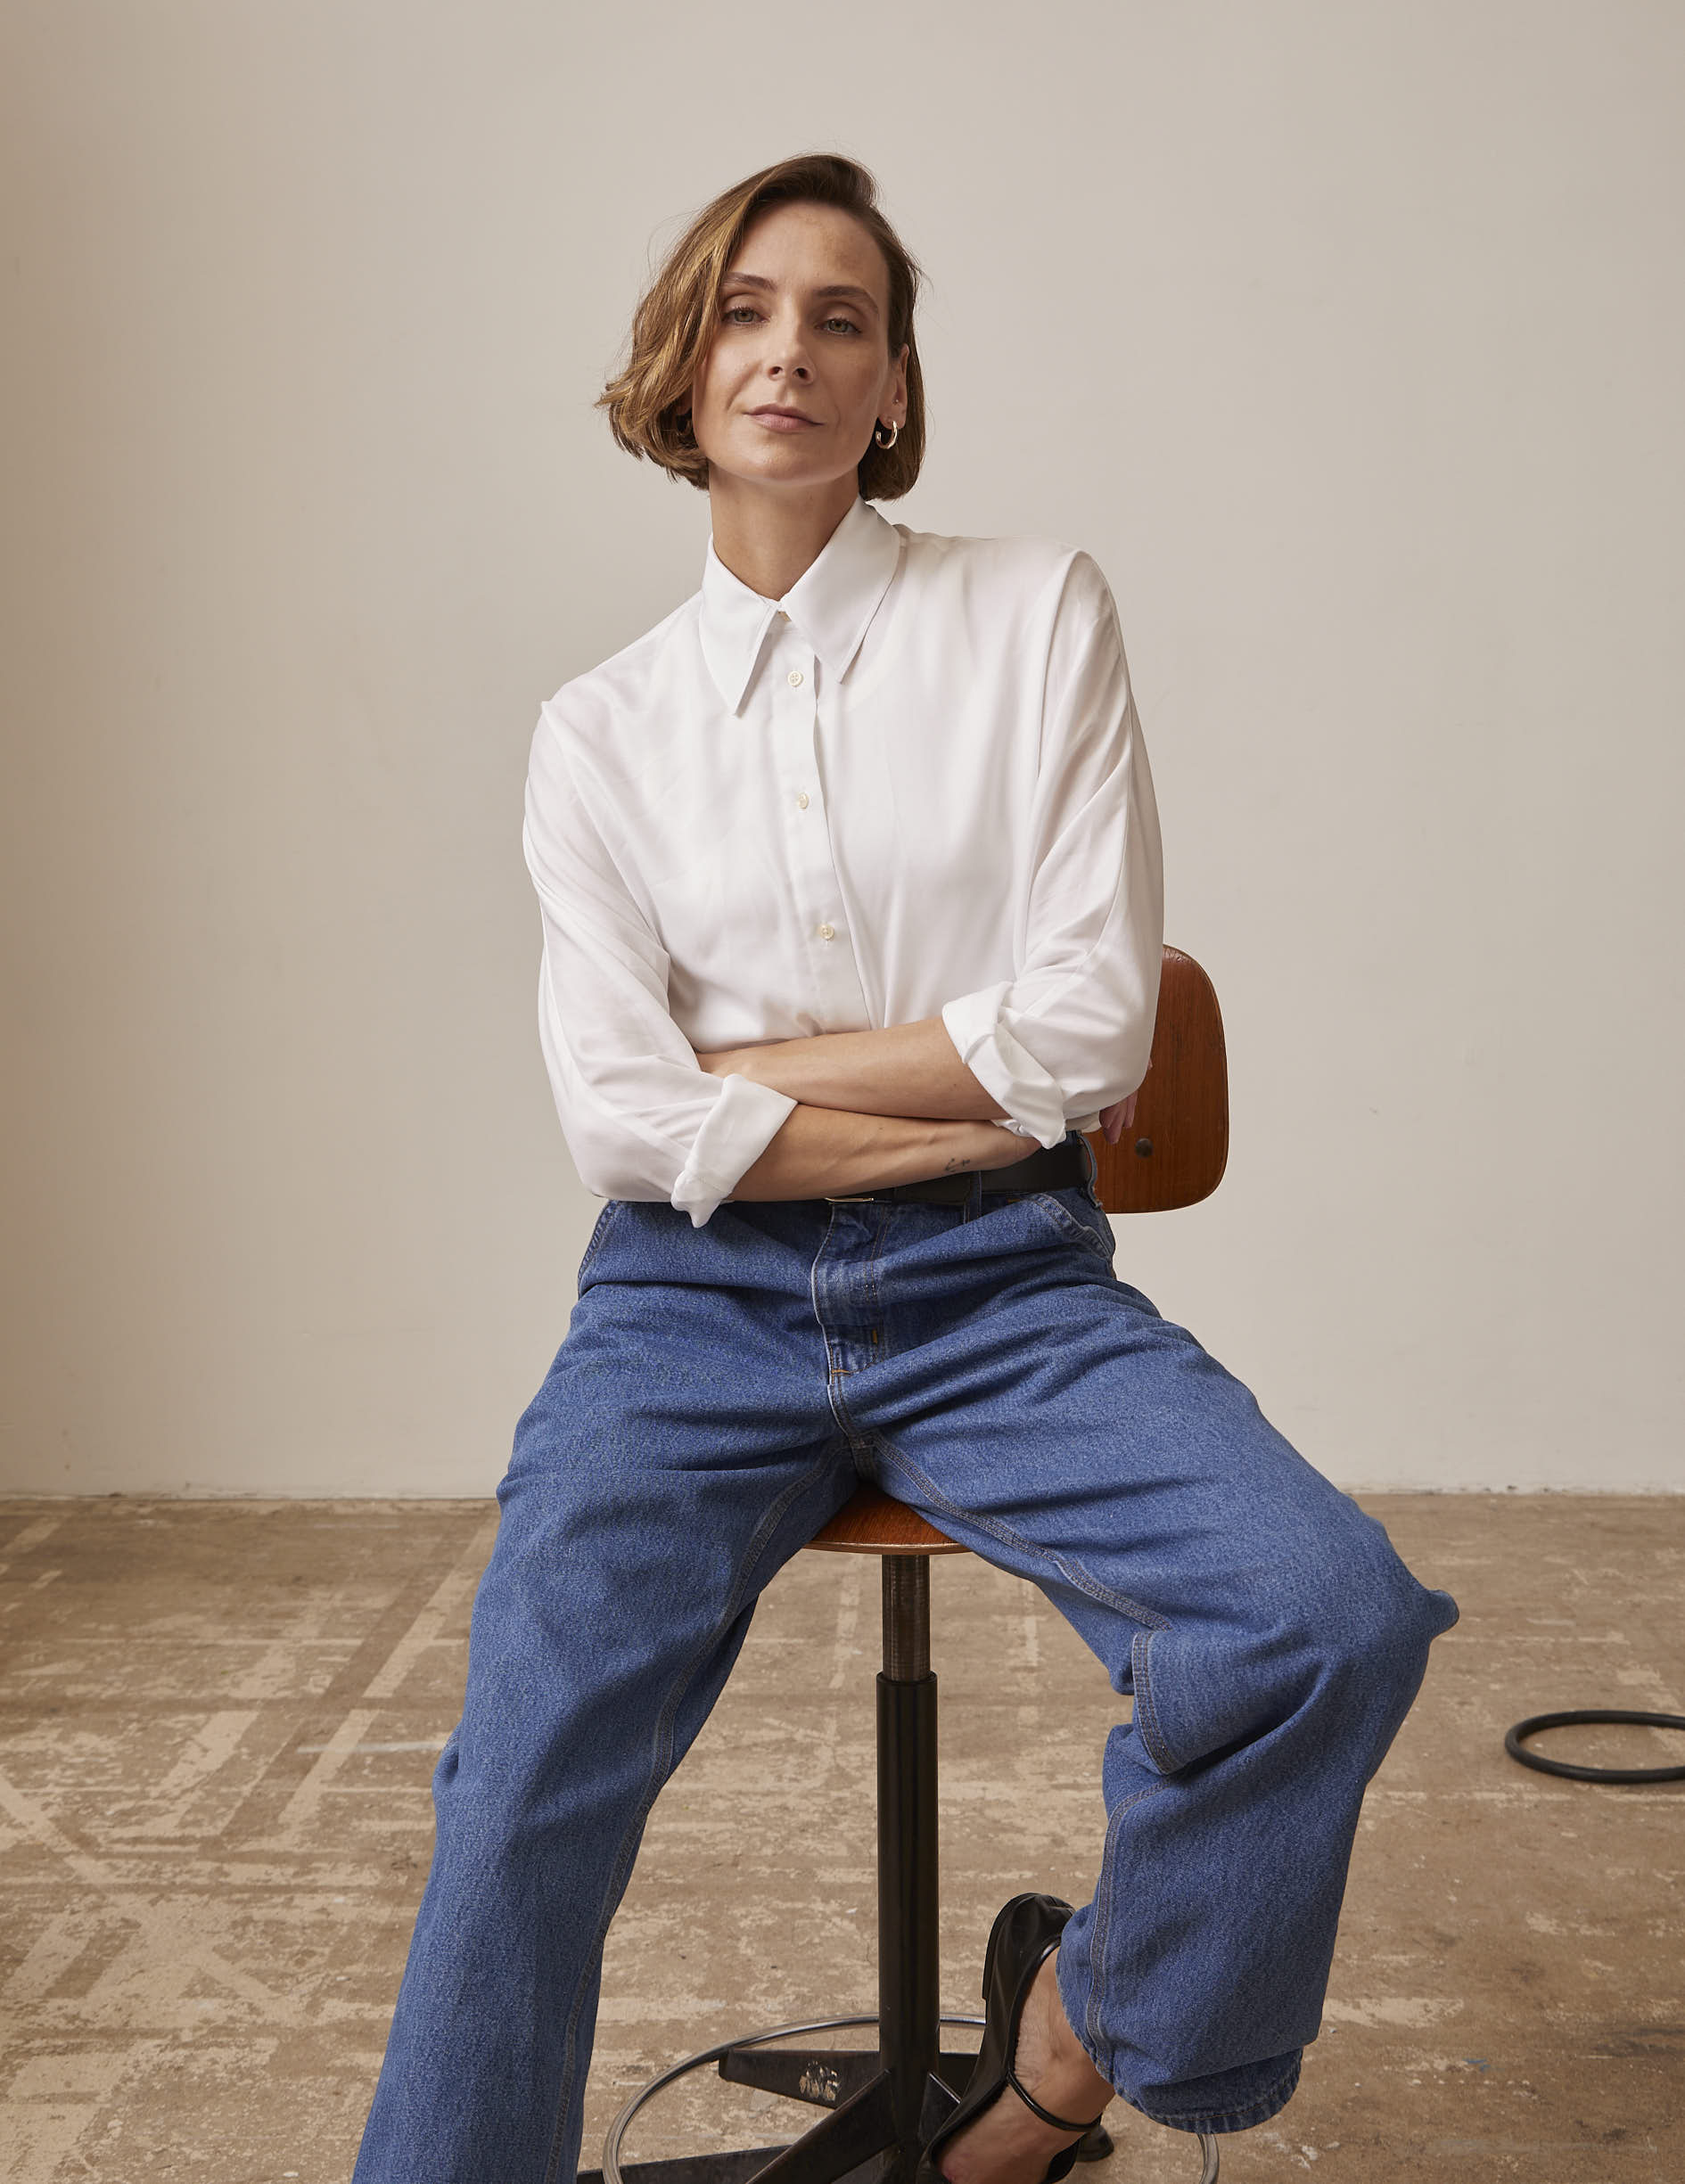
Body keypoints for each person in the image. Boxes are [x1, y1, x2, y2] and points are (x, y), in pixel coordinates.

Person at [351, 152, 1459, 2184]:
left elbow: (1087, 1039)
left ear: (890, 388)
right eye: (745, 310)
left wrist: (749, 1074)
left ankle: (1058, 2062)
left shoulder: (1031, 612)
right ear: (681, 370)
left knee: (1328, 1613)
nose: (789, 350)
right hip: (689, 1304)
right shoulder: (597, 731)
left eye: (839, 318)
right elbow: (621, 1123)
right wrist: (940, 1087)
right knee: (515, 1784)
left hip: (999, 1287)